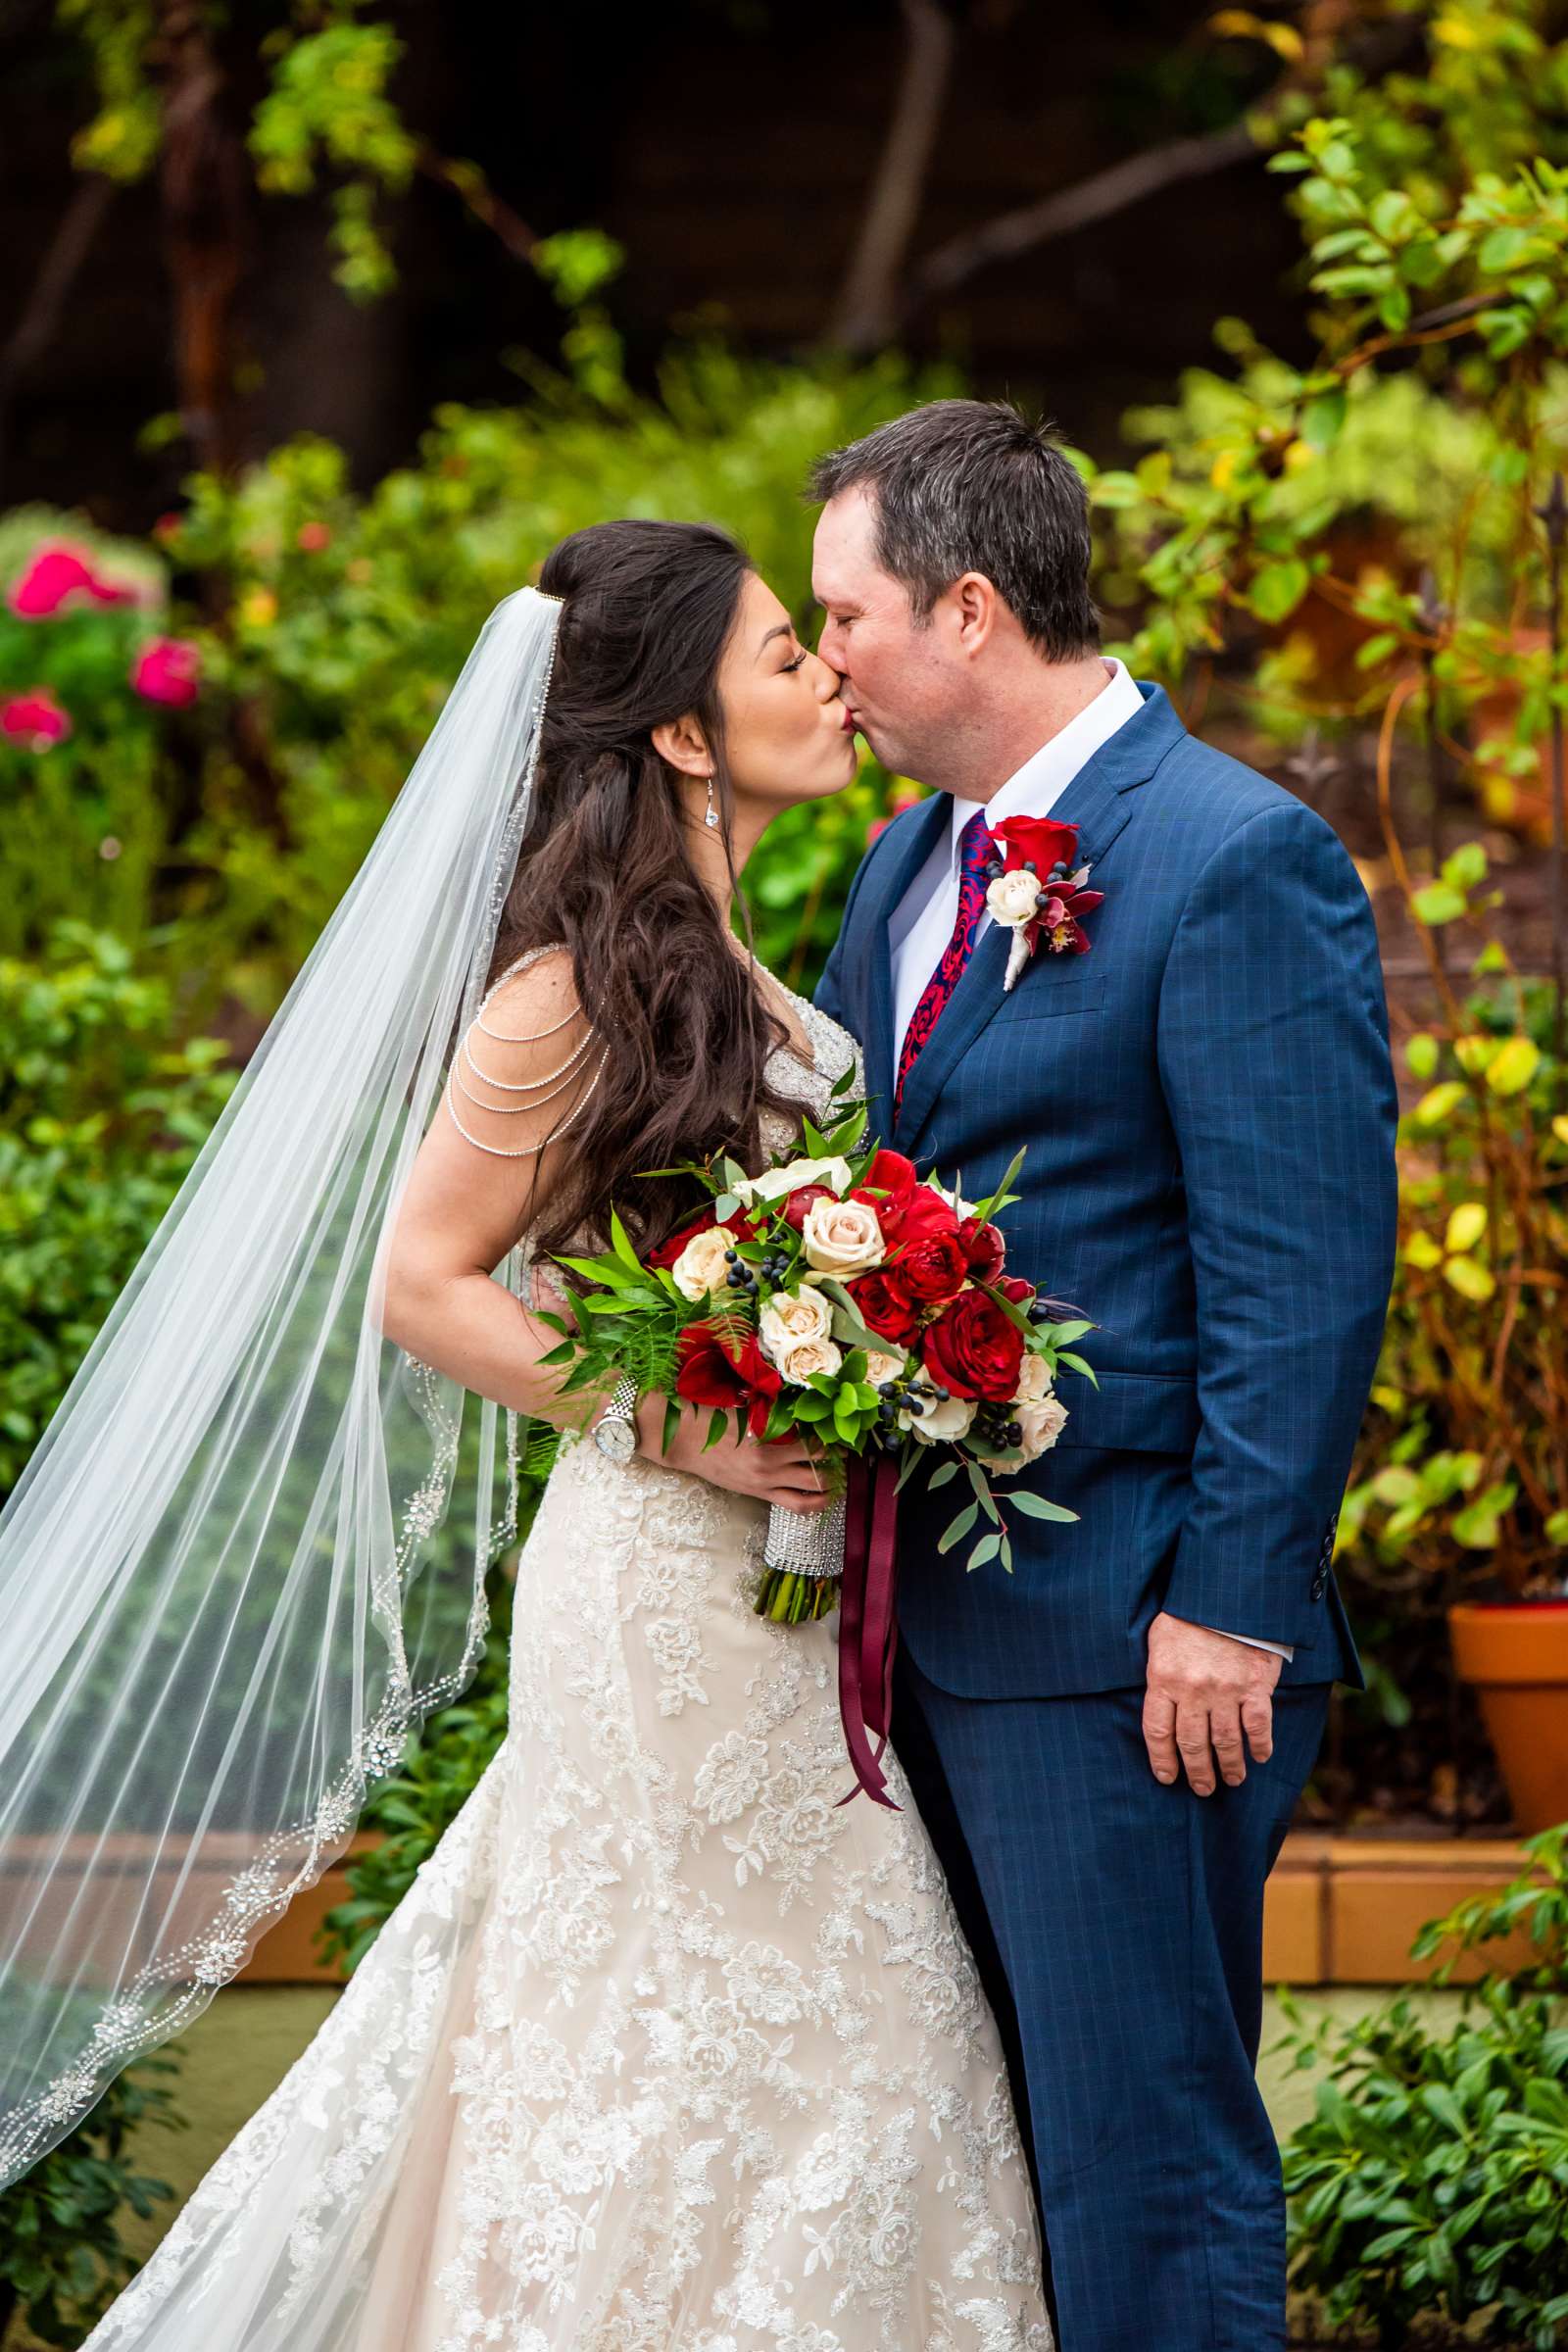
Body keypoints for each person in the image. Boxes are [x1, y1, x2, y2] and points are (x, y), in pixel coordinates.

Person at [55, 519, 1055, 2350]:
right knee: (690, 2044)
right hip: (657, 1593)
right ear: (679, 733)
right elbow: (424, 1281)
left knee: (841, 2049)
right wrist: (682, 1428)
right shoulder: (571, 983)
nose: (828, 675)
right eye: (781, 656)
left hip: (786, 1600)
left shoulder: (745, 951)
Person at [811, 399, 1400, 2352]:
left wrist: (1229, 1608)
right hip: (913, 1640)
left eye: (843, 616)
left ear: (965, 608)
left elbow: (1296, 1273)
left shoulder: (1236, 857)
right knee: (973, 2172)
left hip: (1125, 1653)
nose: (825, 664)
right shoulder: (900, 866)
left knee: (1139, 2171)